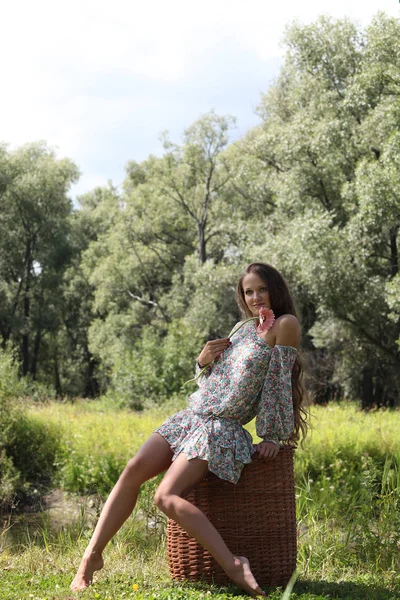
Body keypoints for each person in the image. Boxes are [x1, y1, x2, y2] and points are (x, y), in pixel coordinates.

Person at [70, 262, 308, 598]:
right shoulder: (242, 328)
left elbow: (278, 383)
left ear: (275, 290)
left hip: (220, 428)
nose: (255, 297)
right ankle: (91, 558)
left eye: (261, 289)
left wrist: (272, 434)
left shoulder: (285, 324)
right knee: (132, 470)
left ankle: (234, 564)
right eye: (248, 291)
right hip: (191, 417)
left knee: (164, 497)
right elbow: (215, 383)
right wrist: (201, 362)